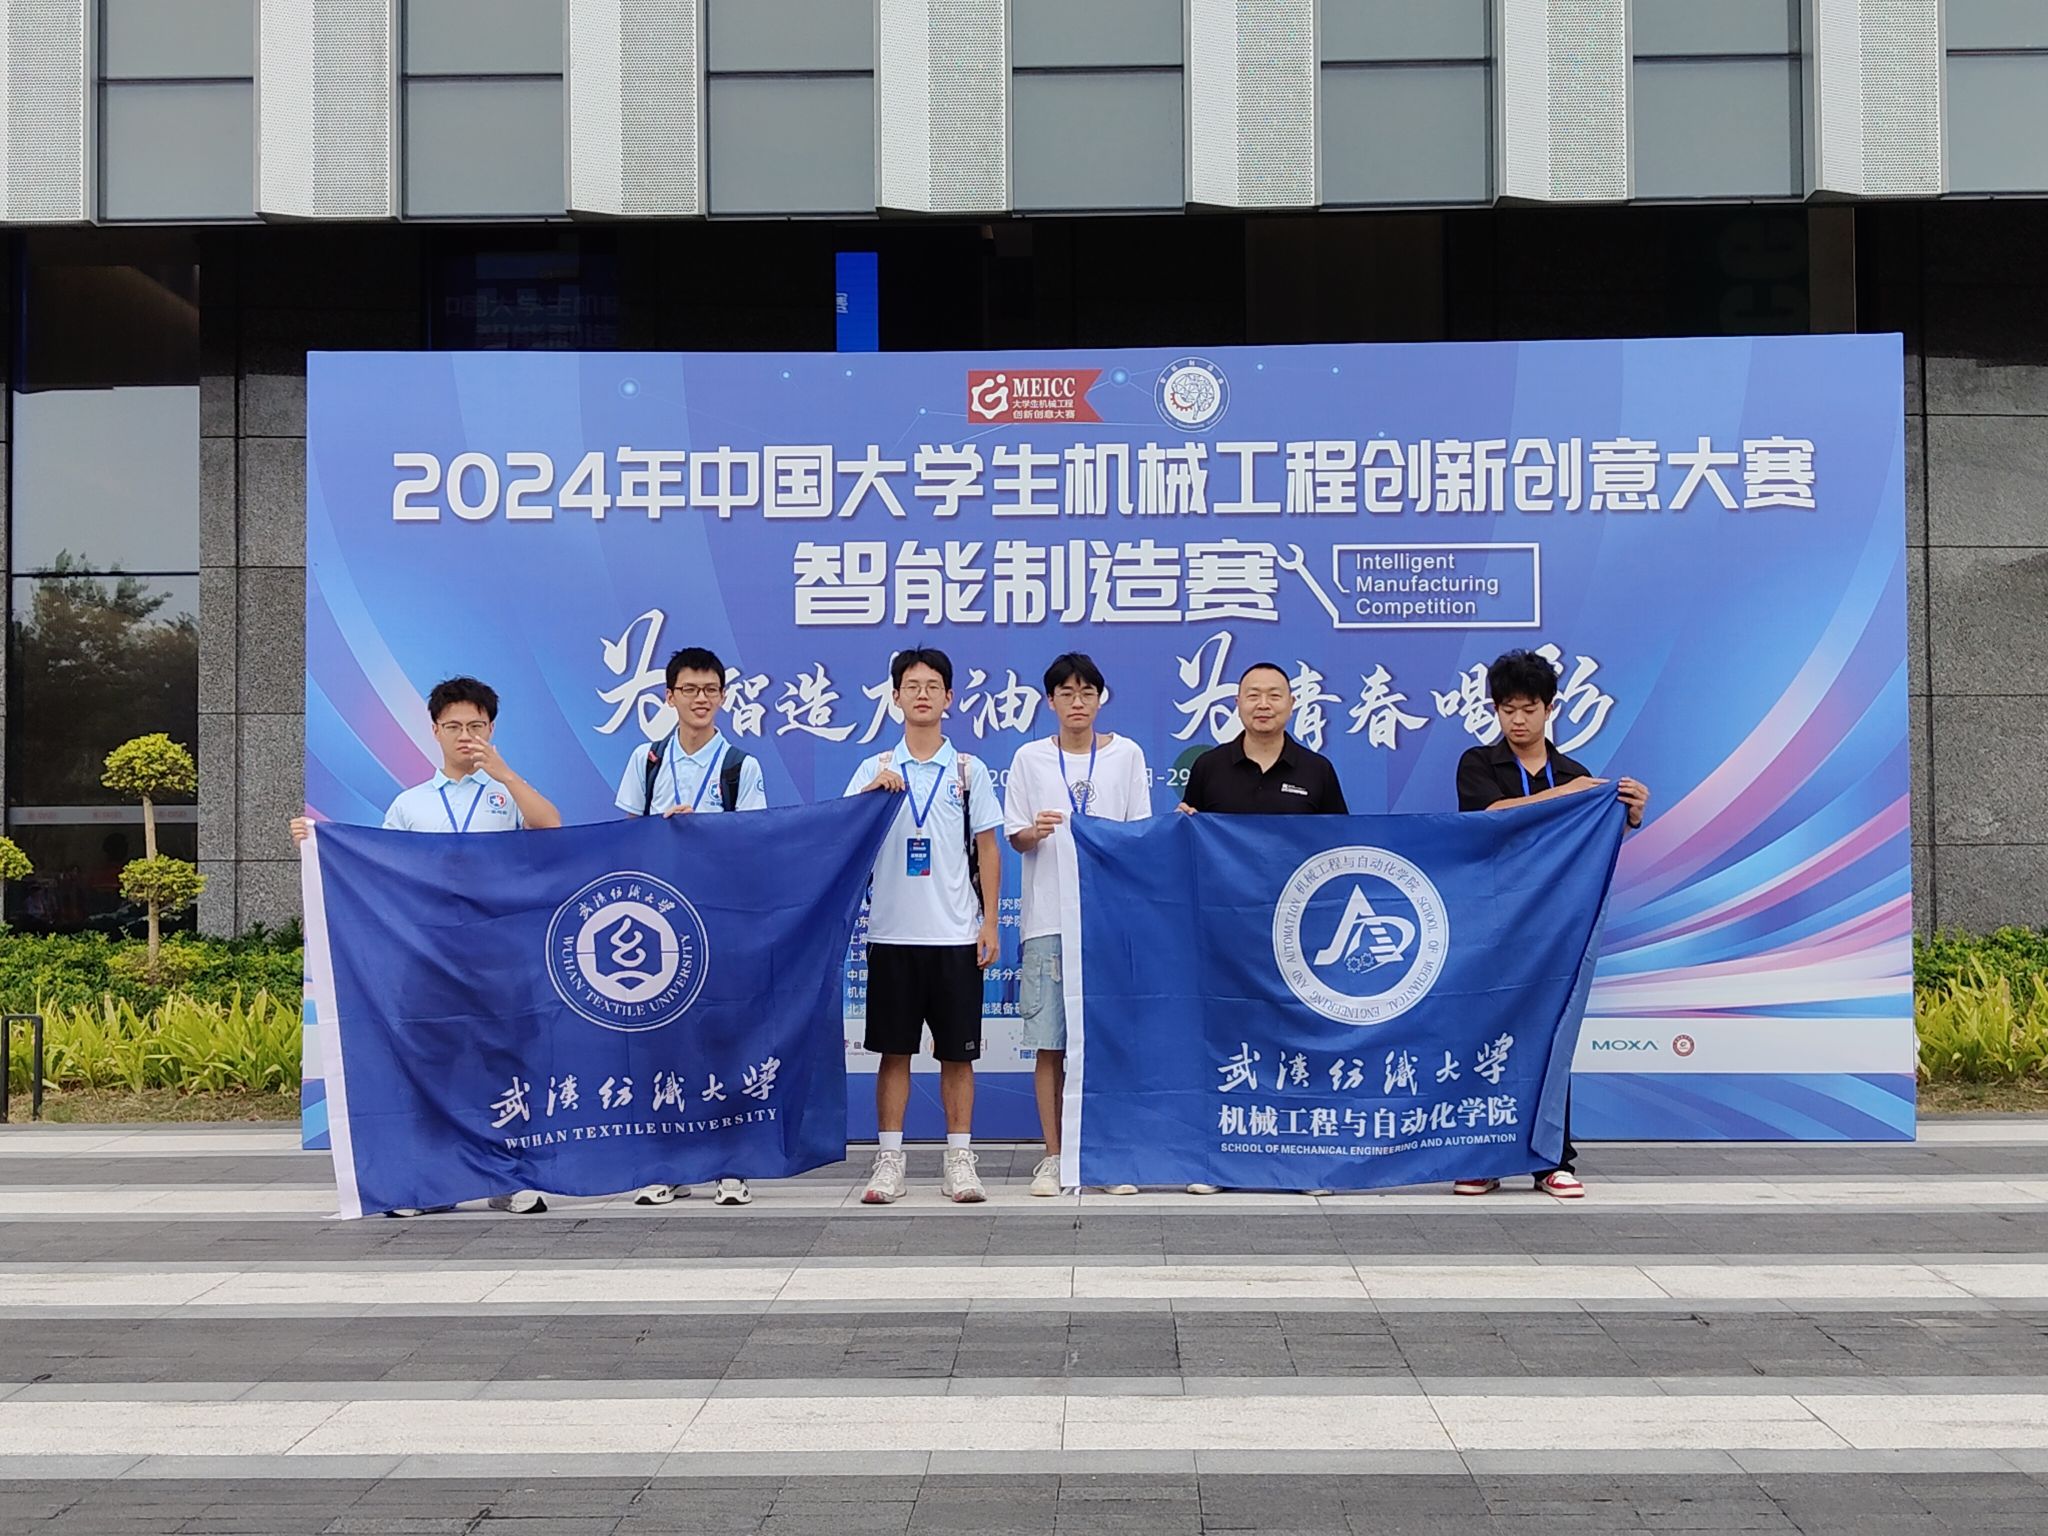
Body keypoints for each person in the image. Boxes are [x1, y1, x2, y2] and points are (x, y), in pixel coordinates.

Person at [291, 675, 562, 1217]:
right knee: (429, 1063)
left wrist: (505, 774)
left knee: (502, 1062)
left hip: (497, 956)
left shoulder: (506, 795)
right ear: (435, 731)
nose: (465, 736)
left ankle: (506, 1177)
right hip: (427, 956)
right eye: (454, 726)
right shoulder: (411, 804)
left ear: (491, 729)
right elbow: (376, 865)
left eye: (476, 726)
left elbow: (552, 829)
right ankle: (432, 1183)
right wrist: (318, 843)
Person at [1449, 648, 1650, 1201]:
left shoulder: (1575, 773)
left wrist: (1626, 816)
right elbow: (1491, 818)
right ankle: (1483, 1158)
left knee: (1550, 1037)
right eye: (1507, 708)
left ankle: (1553, 1161)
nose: (1518, 719)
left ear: (1549, 709)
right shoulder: (1477, 763)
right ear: (1494, 711)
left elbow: (1590, 844)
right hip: (1491, 924)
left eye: (1529, 708)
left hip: (1555, 927)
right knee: (1487, 1036)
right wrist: (1574, 796)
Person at [1179, 662, 1348, 1195]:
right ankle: (1219, 1162)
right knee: (1226, 1042)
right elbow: (1186, 847)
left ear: (1292, 704)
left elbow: (1340, 851)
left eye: (1275, 695)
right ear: (1237, 704)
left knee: (1299, 1041)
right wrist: (1183, 826)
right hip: (1224, 932)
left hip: (1297, 936)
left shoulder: (1316, 770)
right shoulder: (1210, 767)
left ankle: (1306, 1162)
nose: (1263, 704)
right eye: (1253, 694)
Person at [612, 645, 769, 1209]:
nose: (700, 699)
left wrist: (702, 828)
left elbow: (753, 845)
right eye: (689, 690)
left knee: (726, 1038)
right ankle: (668, 1164)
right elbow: (628, 839)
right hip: (658, 927)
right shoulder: (648, 760)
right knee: (665, 1044)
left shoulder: (741, 767)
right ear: (669, 696)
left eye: (710, 690)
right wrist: (661, 831)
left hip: (720, 920)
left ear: (723, 697)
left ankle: (731, 1164)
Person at [845, 648, 1002, 1205]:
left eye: (933, 685)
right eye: (911, 685)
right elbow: (844, 840)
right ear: (895, 697)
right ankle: (889, 1160)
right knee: (894, 1053)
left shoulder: (968, 771)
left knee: (958, 1055)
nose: (922, 694)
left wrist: (989, 922)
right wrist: (869, 797)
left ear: (949, 698)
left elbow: (988, 849)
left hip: (955, 935)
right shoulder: (873, 769)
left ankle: (959, 1159)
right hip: (891, 934)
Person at [1003, 653, 1152, 1198]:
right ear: (1050, 702)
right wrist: (1035, 832)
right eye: (1066, 693)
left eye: (1087, 692)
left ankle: (1108, 1156)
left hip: (1109, 920)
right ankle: (1054, 1157)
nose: (1077, 702)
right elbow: (1014, 836)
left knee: (1109, 1041)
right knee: (1050, 1044)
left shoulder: (1127, 755)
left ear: (1100, 699)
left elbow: (1140, 836)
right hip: (1047, 919)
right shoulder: (1029, 758)